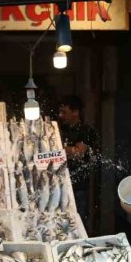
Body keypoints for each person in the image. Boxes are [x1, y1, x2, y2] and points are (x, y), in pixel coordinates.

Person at [57, 95, 100, 228]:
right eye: (60, 112)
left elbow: (78, 153)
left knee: (78, 222)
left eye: (64, 112)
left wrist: (57, 149)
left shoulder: (86, 131)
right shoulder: (60, 130)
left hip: (78, 187)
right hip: (59, 185)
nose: (60, 115)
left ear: (76, 112)